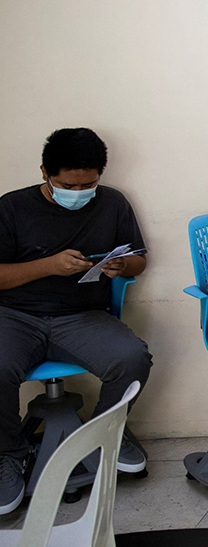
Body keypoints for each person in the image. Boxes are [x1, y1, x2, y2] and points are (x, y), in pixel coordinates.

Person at [0, 128, 152, 516]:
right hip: (15, 316)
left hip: (82, 316)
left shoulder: (113, 203)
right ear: (45, 173)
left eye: (89, 184)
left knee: (131, 357)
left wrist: (121, 266)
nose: (80, 191)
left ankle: (107, 434)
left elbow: (138, 259)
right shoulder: (12, 208)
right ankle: (7, 456)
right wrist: (49, 266)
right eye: (69, 184)